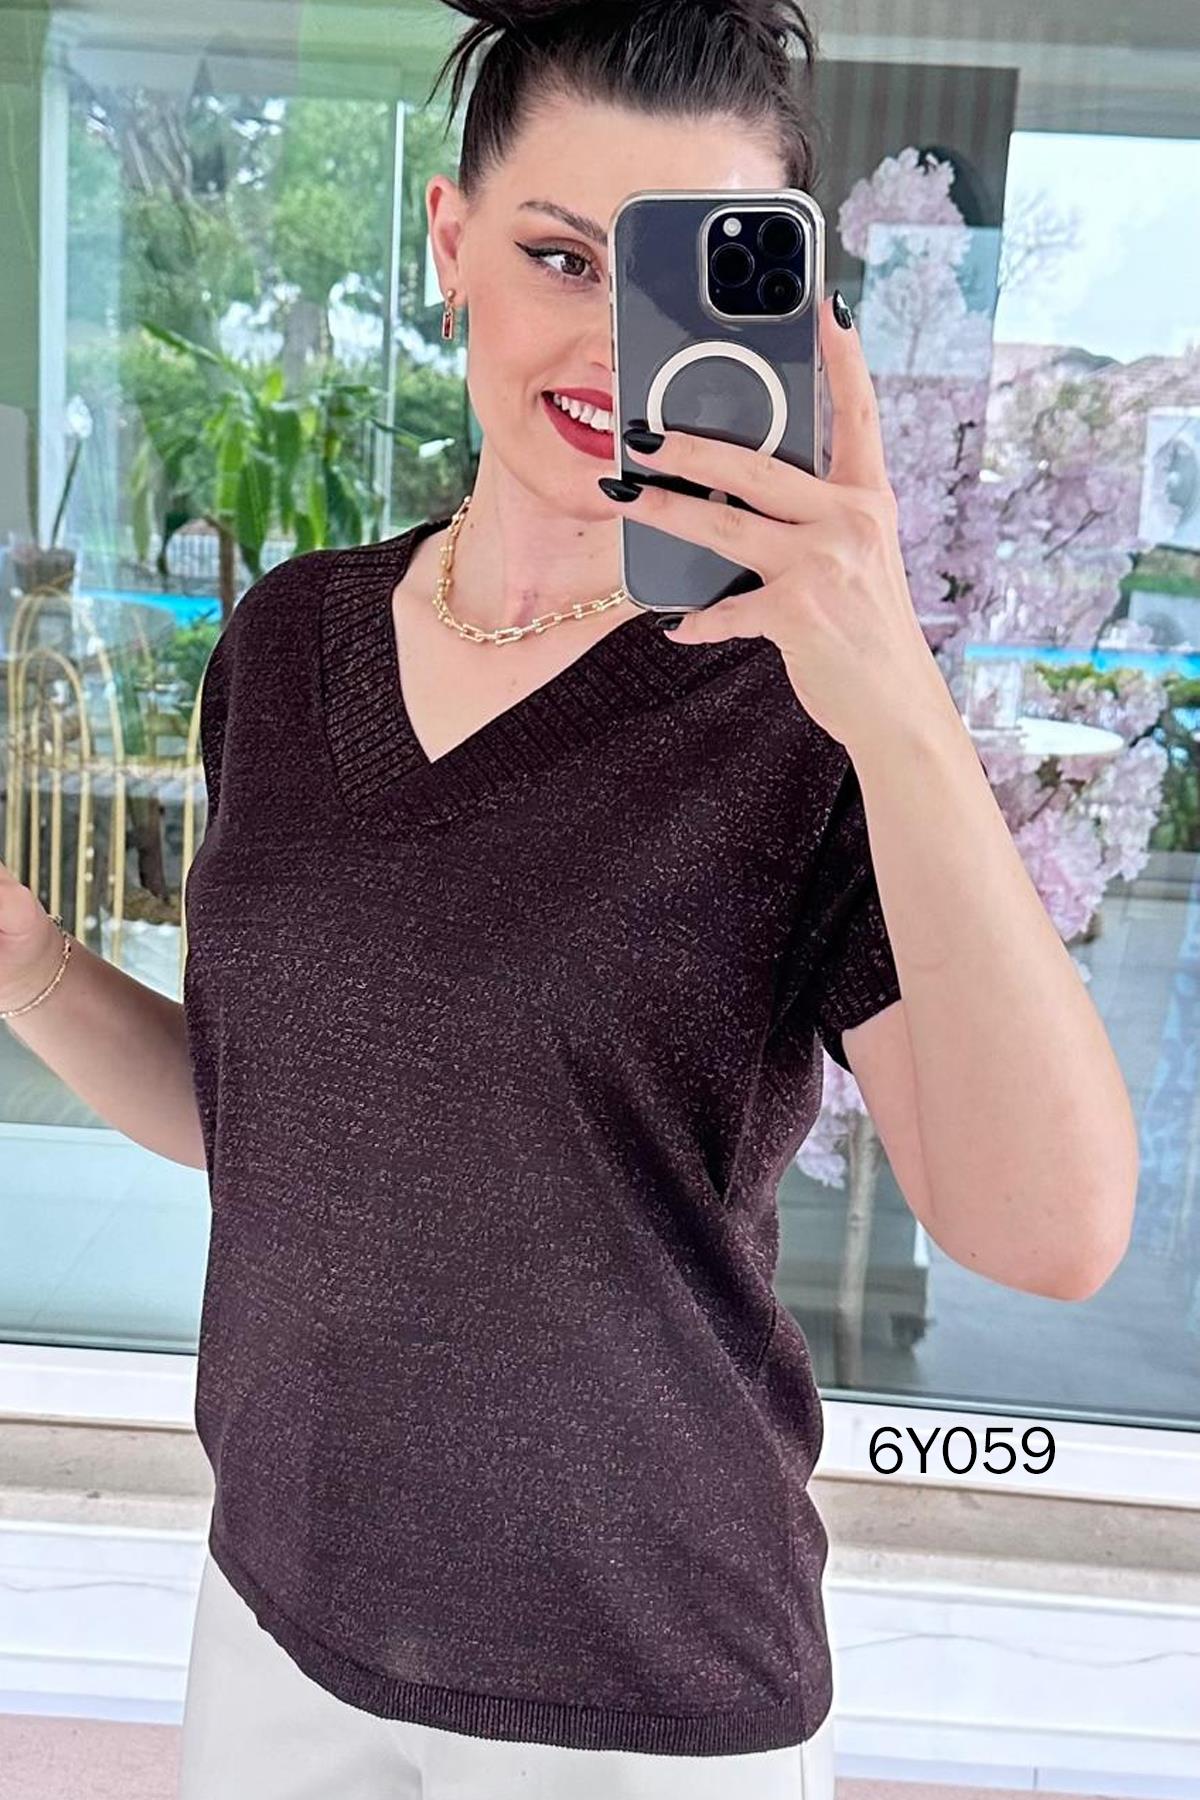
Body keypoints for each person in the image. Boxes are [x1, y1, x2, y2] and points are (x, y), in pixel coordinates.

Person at [0, 0, 1138, 1795]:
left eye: (676, 281)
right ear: (450, 240)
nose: (613, 340)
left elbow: (1048, 1230)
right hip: (277, 1613)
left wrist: (900, 701)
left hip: (641, 1688)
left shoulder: (805, 706)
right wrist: (28, 965)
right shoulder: (289, 643)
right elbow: (280, 1123)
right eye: (558, 254)